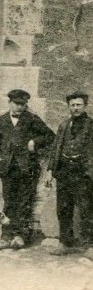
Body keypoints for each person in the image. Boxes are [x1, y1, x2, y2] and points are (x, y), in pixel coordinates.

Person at [0, 89, 55, 249]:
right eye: (16, 104)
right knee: (9, 203)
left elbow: (50, 136)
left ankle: (21, 236)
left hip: (27, 169)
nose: (19, 107)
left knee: (25, 203)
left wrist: (35, 142)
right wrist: (0, 158)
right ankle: (6, 236)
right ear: (10, 103)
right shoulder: (2, 119)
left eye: (22, 104)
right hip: (8, 169)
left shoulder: (31, 119)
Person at [48, 92, 93, 256]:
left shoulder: (91, 125)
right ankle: (65, 243)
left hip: (83, 174)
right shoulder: (64, 125)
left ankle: (90, 246)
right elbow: (56, 149)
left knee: (87, 209)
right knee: (63, 208)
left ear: (85, 106)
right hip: (65, 173)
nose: (75, 108)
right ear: (69, 106)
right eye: (72, 105)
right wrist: (50, 171)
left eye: (78, 105)